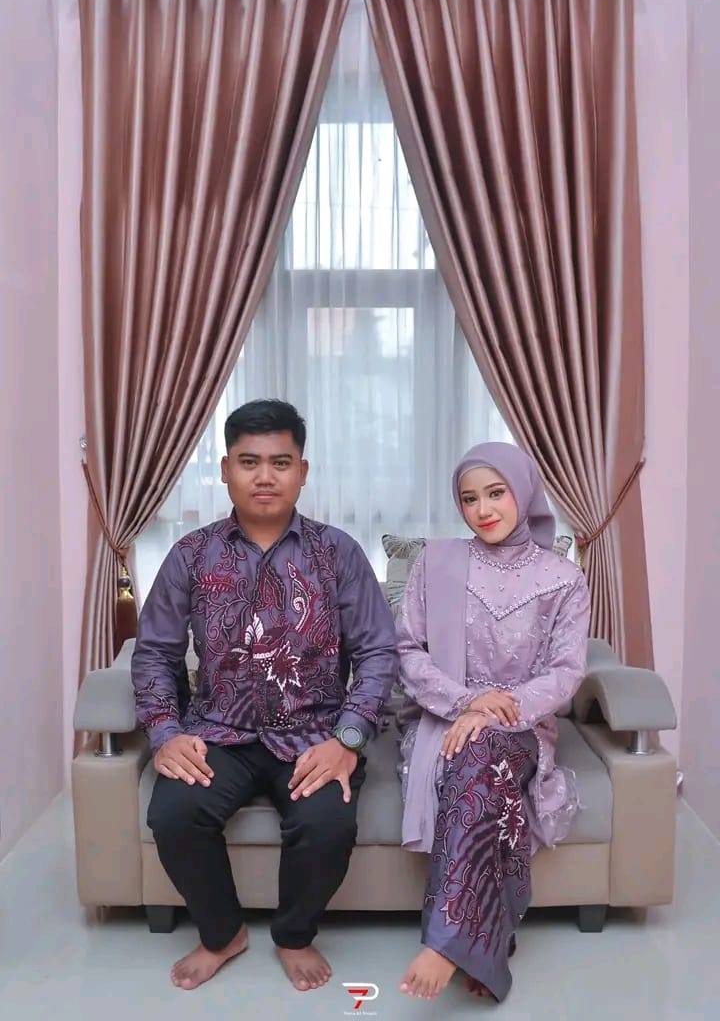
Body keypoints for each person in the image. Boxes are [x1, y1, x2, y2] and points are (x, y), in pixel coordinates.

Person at [131, 399, 398, 992]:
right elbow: (153, 653)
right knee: (174, 815)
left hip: (314, 734)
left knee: (327, 824)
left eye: (280, 462)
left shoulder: (338, 553)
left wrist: (347, 740)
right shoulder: (191, 554)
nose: (265, 476)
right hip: (218, 731)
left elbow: (379, 652)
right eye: (249, 462)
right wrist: (165, 732)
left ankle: (294, 935)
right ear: (226, 469)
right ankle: (222, 933)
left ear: (303, 471)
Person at [395, 442, 590, 1003]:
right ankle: (481, 942)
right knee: (475, 757)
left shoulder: (563, 578)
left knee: (485, 753)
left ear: (522, 492)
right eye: (469, 498)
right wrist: (466, 704)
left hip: (521, 725)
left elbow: (565, 671)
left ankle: (447, 941)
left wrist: (498, 708)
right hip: (444, 716)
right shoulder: (435, 564)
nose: (482, 510)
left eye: (496, 493)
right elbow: (408, 651)